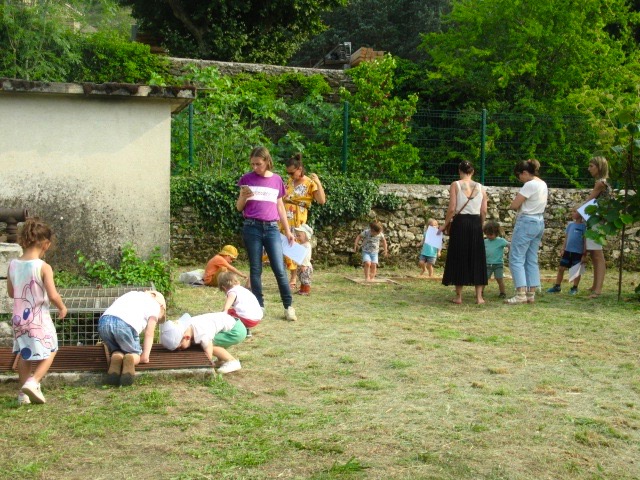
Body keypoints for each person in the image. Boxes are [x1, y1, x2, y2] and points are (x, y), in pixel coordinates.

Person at [8, 217, 67, 405]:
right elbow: (52, 294)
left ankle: (22, 394)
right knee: (52, 348)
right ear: (46, 244)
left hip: (19, 319)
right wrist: (62, 306)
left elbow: (11, 292)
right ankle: (34, 382)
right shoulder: (43, 267)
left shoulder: (13, 265)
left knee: (25, 353)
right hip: (38, 318)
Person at [237, 146, 297, 321]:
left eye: (258, 164)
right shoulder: (246, 179)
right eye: (253, 164)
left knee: (279, 268)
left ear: (267, 161)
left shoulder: (277, 180)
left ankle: (288, 307)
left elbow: (280, 207)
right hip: (252, 227)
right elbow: (239, 207)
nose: (255, 167)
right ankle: (259, 306)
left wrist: (287, 231)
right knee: (255, 269)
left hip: (271, 228)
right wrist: (243, 196)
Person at [440, 161, 488, 304]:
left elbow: (452, 208)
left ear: (460, 171)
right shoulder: (481, 187)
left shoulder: (456, 184)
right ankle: (479, 297)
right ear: (472, 171)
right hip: (475, 223)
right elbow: (483, 210)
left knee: (459, 256)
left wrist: (444, 224)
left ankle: (459, 296)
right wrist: (481, 223)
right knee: (477, 257)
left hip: (460, 223)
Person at [98, 290, 166, 386]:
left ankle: (116, 358)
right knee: (134, 354)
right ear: (161, 306)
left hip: (103, 323)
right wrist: (144, 357)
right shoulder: (156, 306)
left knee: (117, 349)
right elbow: (149, 333)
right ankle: (131, 361)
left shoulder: (131, 294)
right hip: (124, 326)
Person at [505, 159, 548, 305]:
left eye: (519, 176)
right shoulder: (543, 183)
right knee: (531, 257)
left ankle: (520, 293)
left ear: (525, 173)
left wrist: (511, 206)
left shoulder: (529, 184)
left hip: (527, 221)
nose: (519, 179)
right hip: (539, 221)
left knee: (516, 257)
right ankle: (531, 293)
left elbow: (515, 204)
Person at [283, 153, 326, 288]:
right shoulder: (290, 181)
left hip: (298, 217)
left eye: (292, 173)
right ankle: (292, 274)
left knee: (296, 245)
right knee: (286, 245)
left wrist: (318, 182)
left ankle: (295, 277)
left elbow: (321, 200)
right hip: (285, 217)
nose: (290, 176)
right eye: (288, 173)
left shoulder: (309, 183)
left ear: (300, 169)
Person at [160, 311, 247, 374]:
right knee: (206, 343)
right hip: (231, 324)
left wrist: (207, 364)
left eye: (180, 347)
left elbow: (208, 349)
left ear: (186, 337)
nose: (180, 349)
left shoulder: (202, 333)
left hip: (235, 331)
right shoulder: (187, 326)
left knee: (210, 345)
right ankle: (221, 360)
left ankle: (232, 361)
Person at [580, 156, 611, 298]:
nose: (589, 169)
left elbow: (589, 201)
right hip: (596, 221)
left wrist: (576, 211)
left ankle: (597, 290)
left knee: (597, 255)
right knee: (594, 254)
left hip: (597, 222)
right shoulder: (601, 182)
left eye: (591, 166)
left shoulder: (600, 183)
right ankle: (595, 286)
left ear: (599, 167)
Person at [547, 210, 586, 295]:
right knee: (561, 268)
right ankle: (557, 286)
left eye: (575, 212)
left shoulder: (584, 227)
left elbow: (585, 241)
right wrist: (563, 248)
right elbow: (566, 238)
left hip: (578, 253)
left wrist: (584, 254)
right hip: (568, 251)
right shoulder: (570, 225)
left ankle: (575, 288)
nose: (572, 213)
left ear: (580, 214)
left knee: (576, 271)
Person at [218, 271, 263, 338]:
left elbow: (225, 309)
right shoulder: (242, 289)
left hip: (247, 319)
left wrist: (219, 318)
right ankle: (246, 329)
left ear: (224, 287)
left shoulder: (232, 292)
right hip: (257, 318)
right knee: (234, 311)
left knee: (227, 314)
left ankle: (231, 330)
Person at [483, 220, 509, 298]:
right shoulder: (485, 242)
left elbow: (509, 245)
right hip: (487, 264)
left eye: (491, 234)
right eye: (487, 234)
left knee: (499, 279)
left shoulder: (501, 241)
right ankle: (480, 292)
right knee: (484, 280)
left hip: (498, 264)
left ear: (496, 233)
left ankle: (502, 293)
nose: (489, 236)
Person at [293, 224, 314, 295]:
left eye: (299, 236)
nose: (298, 237)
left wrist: (304, 265)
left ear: (305, 236)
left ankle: (306, 290)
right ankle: (302, 289)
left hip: (305, 266)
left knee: (305, 278)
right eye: (297, 236)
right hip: (300, 265)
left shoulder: (307, 245)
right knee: (301, 278)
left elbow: (307, 256)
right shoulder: (302, 245)